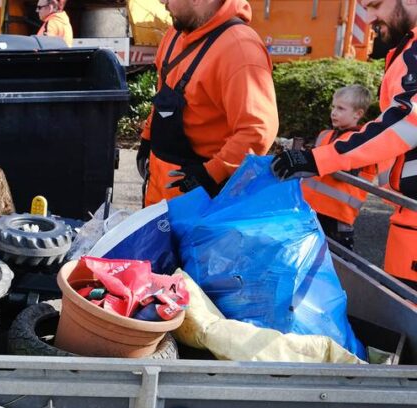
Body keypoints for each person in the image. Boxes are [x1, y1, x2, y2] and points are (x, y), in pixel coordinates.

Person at [271, 0, 417, 290]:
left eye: (375, 4)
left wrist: (317, 160)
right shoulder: (408, 49)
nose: (370, 17)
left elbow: (406, 121)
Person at [135, 0, 278, 205]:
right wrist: (147, 139)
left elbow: (256, 130)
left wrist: (210, 174)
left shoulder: (240, 49)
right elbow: (163, 96)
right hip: (160, 189)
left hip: (201, 200)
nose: (162, 2)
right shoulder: (175, 33)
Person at [301, 85, 377, 251]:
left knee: (339, 263)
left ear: (358, 114)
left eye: (341, 108)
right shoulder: (325, 135)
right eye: (333, 107)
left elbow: (341, 170)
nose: (334, 112)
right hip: (310, 209)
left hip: (338, 216)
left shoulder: (361, 142)